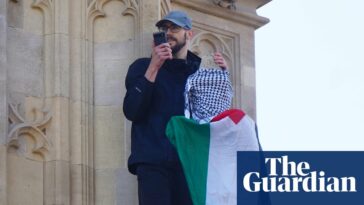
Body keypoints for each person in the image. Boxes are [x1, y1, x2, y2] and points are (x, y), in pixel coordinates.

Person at [123, 10, 227, 205]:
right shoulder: (142, 66)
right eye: (164, 28)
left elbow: (215, 118)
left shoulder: (200, 74)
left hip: (190, 164)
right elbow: (132, 110)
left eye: (175, 28)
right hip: (153, 163)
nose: (168, 32)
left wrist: (222, 79)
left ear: (189, 34)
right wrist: (154, 67)